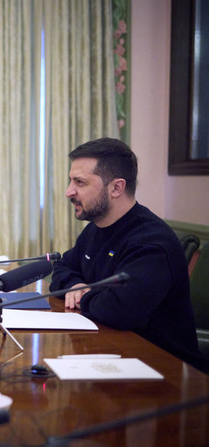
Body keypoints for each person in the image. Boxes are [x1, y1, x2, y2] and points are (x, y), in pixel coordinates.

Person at [50, 137, 207, 372]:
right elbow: (62, 267)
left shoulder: (150, 242)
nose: (68, 191)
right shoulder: (96, 227)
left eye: (79, 182)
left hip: (164, 370)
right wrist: (75, 284)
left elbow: (119, 311)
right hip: (113, 353)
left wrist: (84, 294)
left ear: (116, 188)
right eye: (71, 181)